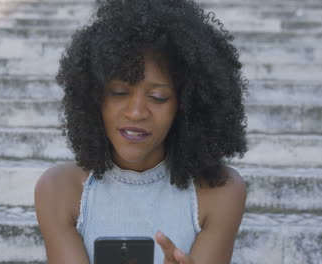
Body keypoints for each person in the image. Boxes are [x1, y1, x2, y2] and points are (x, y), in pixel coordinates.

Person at [34, 0, 248, 263]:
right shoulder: (59, 189)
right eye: (120, 92)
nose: (136, 113)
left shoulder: (220, 191)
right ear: (94, 97)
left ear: (187, 106)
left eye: (158, 97)